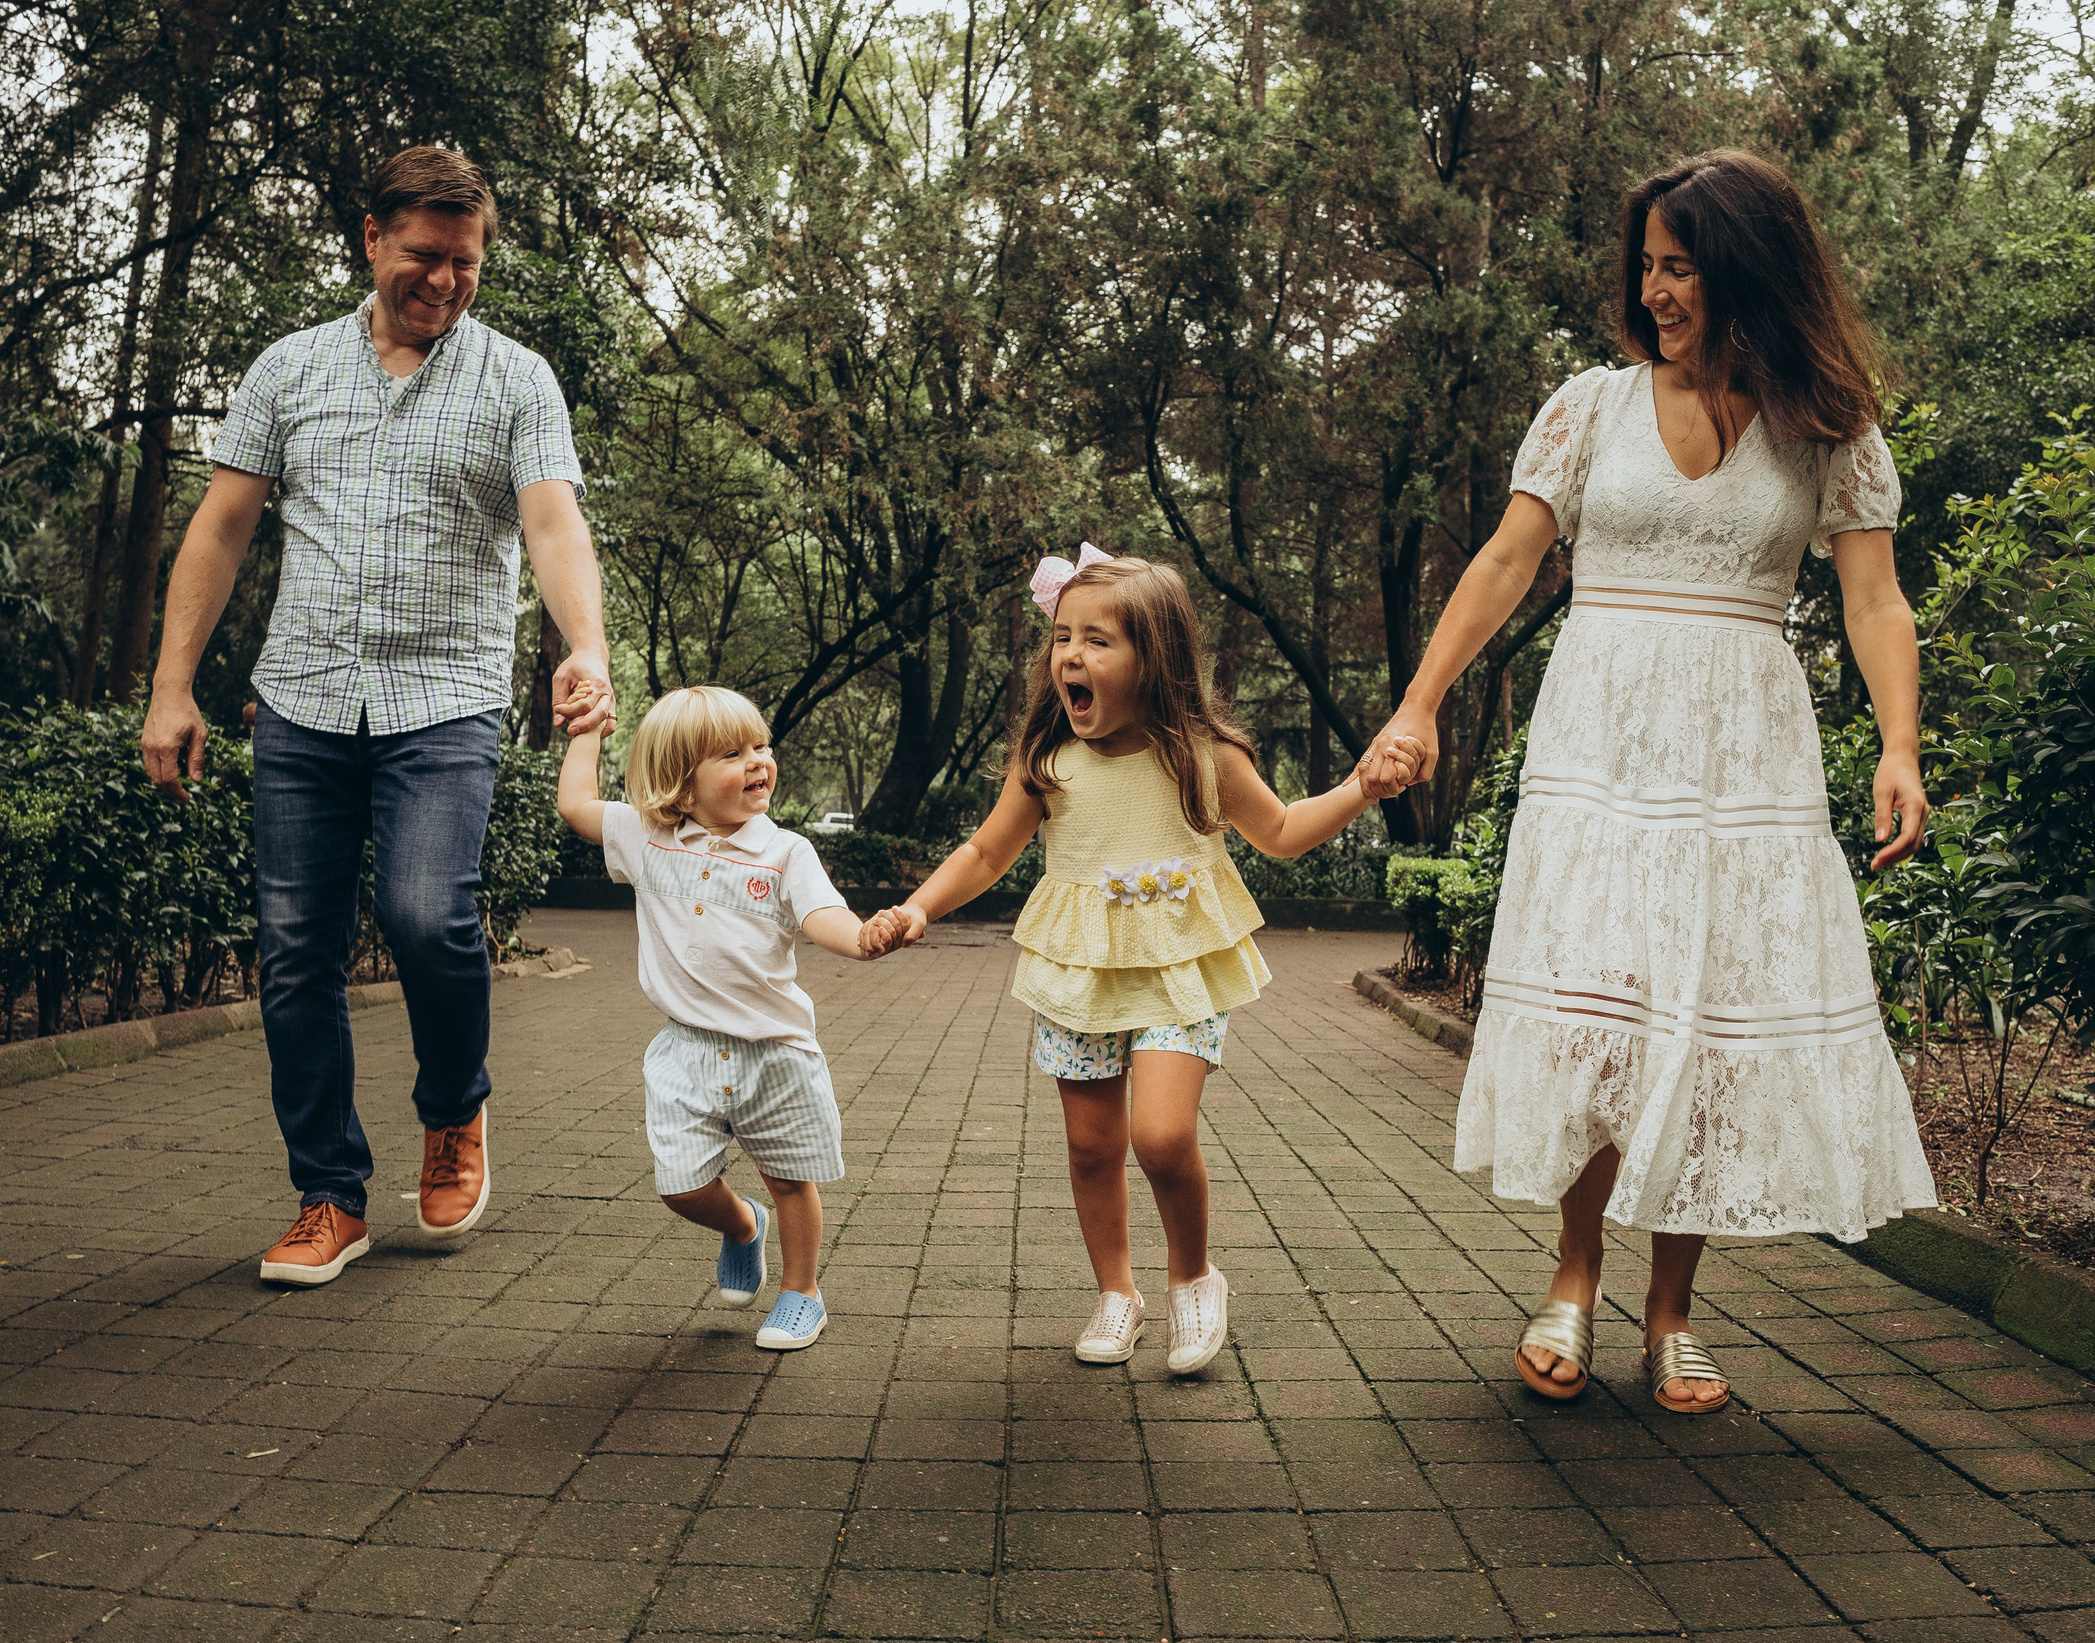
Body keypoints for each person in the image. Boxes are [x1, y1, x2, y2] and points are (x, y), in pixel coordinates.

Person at [1357, 150, 1938, 1415]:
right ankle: (1573, 1274)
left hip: (1741, 750)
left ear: (1743, 273)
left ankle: (1671, 1311)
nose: (1655, 289)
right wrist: (1420, 701)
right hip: (1602, 745)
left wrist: (1899, 744)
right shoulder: (1588, 408)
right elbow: (1509, 560)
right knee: (1606, 1005)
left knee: (1704, 1013)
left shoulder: (1823, 426)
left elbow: (1873, 595)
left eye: (1681, 267)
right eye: (1649, 265)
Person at [141, 146, 615, 1287]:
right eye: (423, 257)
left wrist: (585, 644)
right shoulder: (289, 370)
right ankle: (328, 1195)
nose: (444, 280)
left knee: (424, 914)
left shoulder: (516, 380)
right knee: (295, 955)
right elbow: (220, 528)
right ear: (370, 240)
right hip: (303, 698)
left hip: (444, 699)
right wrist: (171, 683)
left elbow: (552, 526)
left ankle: (453, 1110)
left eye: (464, 262)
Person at [864, 549, 1416, 1375]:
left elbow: (1285, 833)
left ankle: (1193, 1277)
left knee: (1159, 1135)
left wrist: (1362, 789)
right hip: (1079, 970)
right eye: (1061, 639)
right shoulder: (1048, 759)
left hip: (1178, 966)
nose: (1071, 659)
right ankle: (1116, 1292)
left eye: (1097, 641)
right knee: (1091, 1147)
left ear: (1153, 658)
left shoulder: (1203, 756)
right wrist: (917, 909)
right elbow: (985, 853)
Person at [557, 685, 879, 1349]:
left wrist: (864, 937)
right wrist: (588, 731)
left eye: (761, 745)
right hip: (685, 1051)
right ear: (681, 779)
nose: (758, 761)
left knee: (792, 1178)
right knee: (681, 1187)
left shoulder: (785, 852)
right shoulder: (648, 839)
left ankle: (801, 1292)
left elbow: (823, 916)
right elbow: (575, 805)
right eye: (732, 753)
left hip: (775, 1050)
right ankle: (741, 1226)